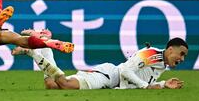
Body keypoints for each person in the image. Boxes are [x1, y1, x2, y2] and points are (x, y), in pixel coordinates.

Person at [12, 37, 188, 90]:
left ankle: (44, 46)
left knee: (51, 84)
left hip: (112, 79)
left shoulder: (162, 64)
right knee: (64, 84)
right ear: (170, 49)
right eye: (181, 54)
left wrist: (163, 84)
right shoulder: (152, 55)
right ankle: (32, 51)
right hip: (109, 76)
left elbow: (142, 78)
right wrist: (146, 87)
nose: (181, 59)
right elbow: (126, 70)